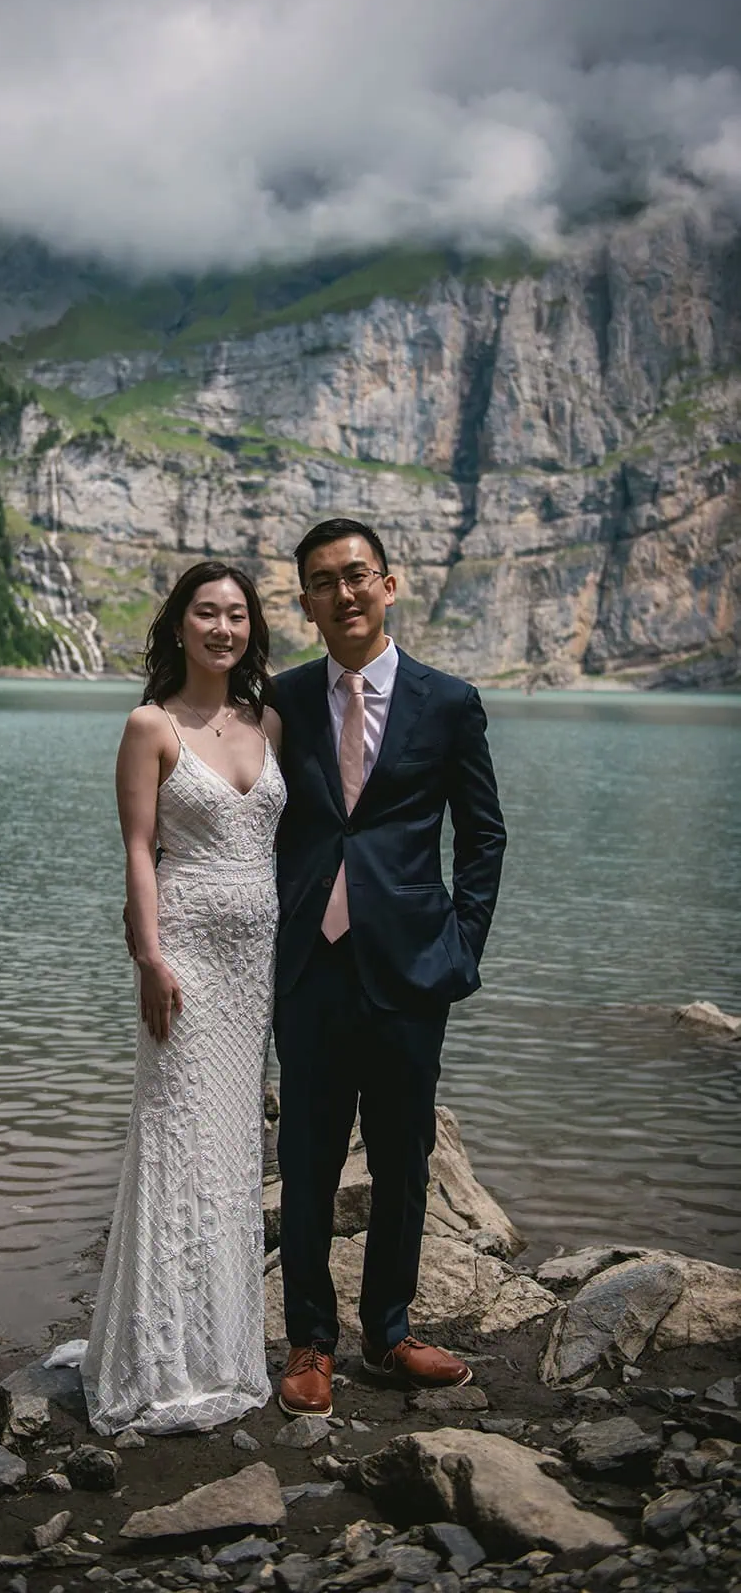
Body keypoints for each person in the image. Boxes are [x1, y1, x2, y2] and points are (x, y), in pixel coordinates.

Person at [271, 517, 506, 1417]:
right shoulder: (281, 700)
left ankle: (391, 1331)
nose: (345, 593)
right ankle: (308, 1342)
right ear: (307, 603)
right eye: (324, 582)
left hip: (412, 971)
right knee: (308, 1158)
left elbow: (482, 837)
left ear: (390, 583)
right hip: (313, 970)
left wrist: (462, 946)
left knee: (403, 1160)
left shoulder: (448, 702)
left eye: (358, 574)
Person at [81, 562, 285, 1434]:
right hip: (188, 959)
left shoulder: (268, 719)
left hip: (256, 971)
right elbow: (137, 850)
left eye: (237, 615)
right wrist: (149, 958)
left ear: (252, 630)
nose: (223, 629)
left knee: (233, 1150)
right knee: (174, 1139)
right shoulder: (149, 724)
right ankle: (158, 1355)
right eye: (207, 612)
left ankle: (224, 1347)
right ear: (178, 625)